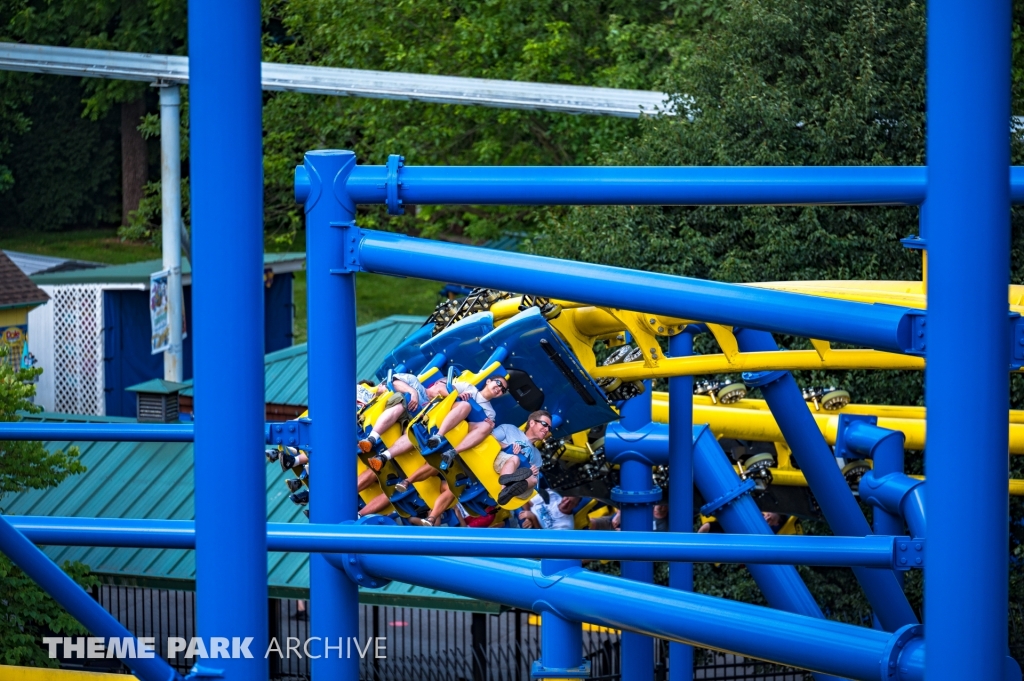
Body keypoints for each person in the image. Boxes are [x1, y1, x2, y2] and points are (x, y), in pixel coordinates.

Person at [366, 374, 508, 472]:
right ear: (489, 381)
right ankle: (372, 438)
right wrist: (455, 396)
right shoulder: (468, 387)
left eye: (503, 390)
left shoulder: (491, 413)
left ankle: (383, 457)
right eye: (499, 383)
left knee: (420, 432)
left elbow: (482, 429)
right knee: (465, 405)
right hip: (434, 410)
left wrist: (489, 426)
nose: (500, 388)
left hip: (450, 425)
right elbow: (439, 390)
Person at [358, 373, 430, 454]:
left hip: (412, 417)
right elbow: (394, 383)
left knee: (413, 432)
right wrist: (413, 392)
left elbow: (393, 383)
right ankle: (371, 439)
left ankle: (383, 457)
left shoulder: (433, 399)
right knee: (400, 400)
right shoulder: (395, 384)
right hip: (398, 407)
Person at [491, 410, 552, 505]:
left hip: (521, 483)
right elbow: (489, 438)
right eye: (544, 424)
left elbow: (533, 480)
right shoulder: (510, 429)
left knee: (534, 479)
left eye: (549, 427)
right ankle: (504, 490)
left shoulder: (538, 457)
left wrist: (533, 471)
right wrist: (508, 446)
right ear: (532, 422)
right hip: (501, 462)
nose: (547, 429)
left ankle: (511, 487)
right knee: (515, 458)